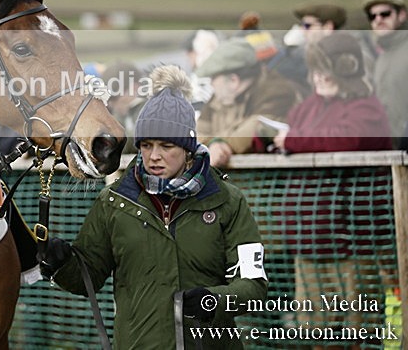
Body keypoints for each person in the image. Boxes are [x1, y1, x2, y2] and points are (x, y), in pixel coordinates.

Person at [39, 65, 268, 349]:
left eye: (166, 145)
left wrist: (214, 300)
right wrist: (60, 263)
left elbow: (254, 287)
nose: (154, 156)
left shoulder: (228, 201)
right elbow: (88, 276)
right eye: (146, 145)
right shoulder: (114, 202)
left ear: (188, 149)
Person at [269, 32, 393, 345]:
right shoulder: (309, 107)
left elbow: (347, 138)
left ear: (346, 67)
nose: (318, 77)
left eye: (325, 68)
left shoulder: (367, 108)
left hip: (352, 247)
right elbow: (287, 130)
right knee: (317, 337)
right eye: (314, 68)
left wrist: (295, 141)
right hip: (308, 246)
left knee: (357, 334)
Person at [194, 39, 299, 167]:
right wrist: (214, 144)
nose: (211, 83)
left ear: (233, 80)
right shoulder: (218, 97)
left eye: (214, 78)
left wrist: (219, 144)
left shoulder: (277, 92)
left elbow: (248, 135)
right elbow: (195, 134)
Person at [361, 0, 408, 149]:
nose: (378, 20)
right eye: (372, 17)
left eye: (385, 14)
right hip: (393, 151)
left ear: (401, 15)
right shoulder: (382, 58)